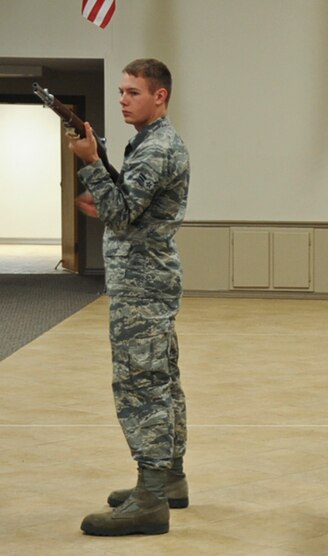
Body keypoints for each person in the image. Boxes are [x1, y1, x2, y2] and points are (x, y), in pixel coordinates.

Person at [68, 58, 190, 537]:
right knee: (162, 379)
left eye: (132, 92)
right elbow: (130, 206)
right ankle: (169, 479)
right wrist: (103, 163)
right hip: (146, 280)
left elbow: (119, 215)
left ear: (159, 96)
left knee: (141, 385)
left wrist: (91, 163)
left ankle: (151, 497)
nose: (122, 99)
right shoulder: (148, 143)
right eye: (120, 91)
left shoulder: (157, 148)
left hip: (142, 285)